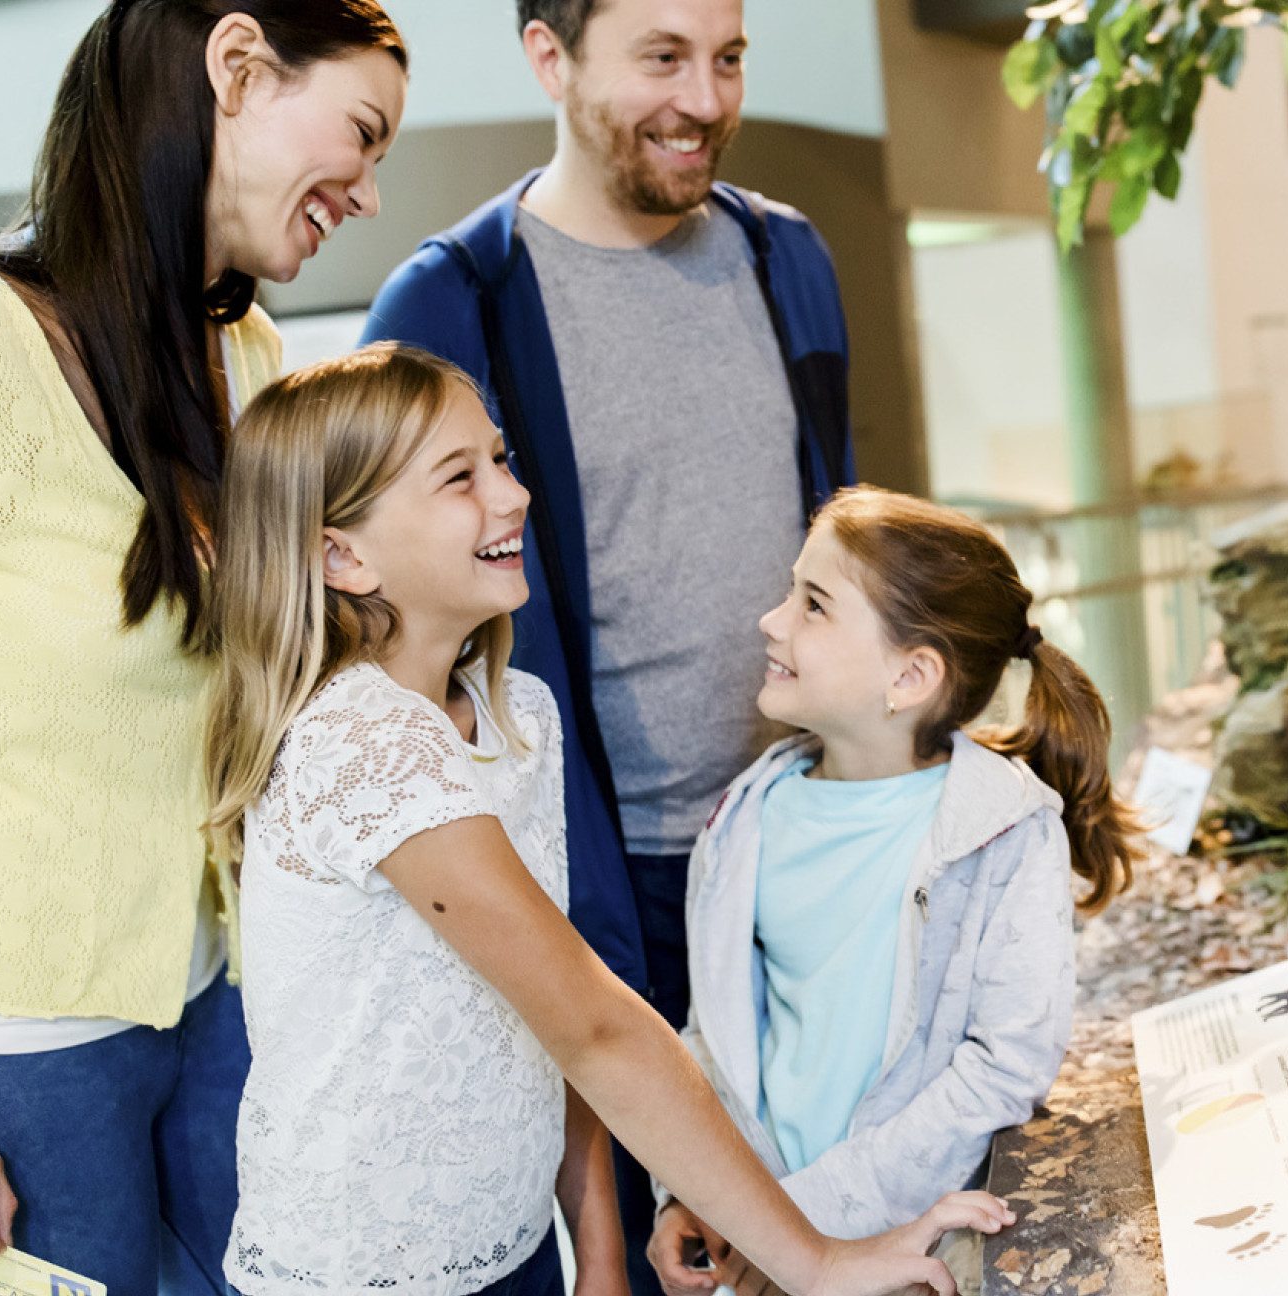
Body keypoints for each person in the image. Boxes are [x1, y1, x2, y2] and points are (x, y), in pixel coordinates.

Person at [0, 4, 406, 1291]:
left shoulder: (241, 353)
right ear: (236, 68)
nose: (366, 192)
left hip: (214, 1011)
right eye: (359, 135)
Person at [205, 345, 1007, 1296]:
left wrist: (599, 1252)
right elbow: (598, 1027)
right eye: (459, 478)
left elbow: (552, 1010)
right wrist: (820, 1262)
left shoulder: (517, 716)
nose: (514, 498)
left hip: (512, 1248)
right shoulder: (362, 745)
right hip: (360, 1275)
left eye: (499, 460)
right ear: (343, 554)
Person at [356, 2, 855, 1285]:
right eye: (660, 58)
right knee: (653, 1246)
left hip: (805, 841)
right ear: (548, 57)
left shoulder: (786, 257)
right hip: (602, 884)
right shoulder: (455, 299)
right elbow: (391, 632)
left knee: (835, 1211)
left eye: (729, 55)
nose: (704, 96)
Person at [646, 488, 1142, 1296]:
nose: (772, 621)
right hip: (759, 1239)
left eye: (814, 605)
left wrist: (802, 1228)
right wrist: (693, 1198)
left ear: (909, 676)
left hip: (912, 1253)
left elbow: (1005, 1066)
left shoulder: (1007, 833)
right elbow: (714, 1041)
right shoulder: (743, 818)